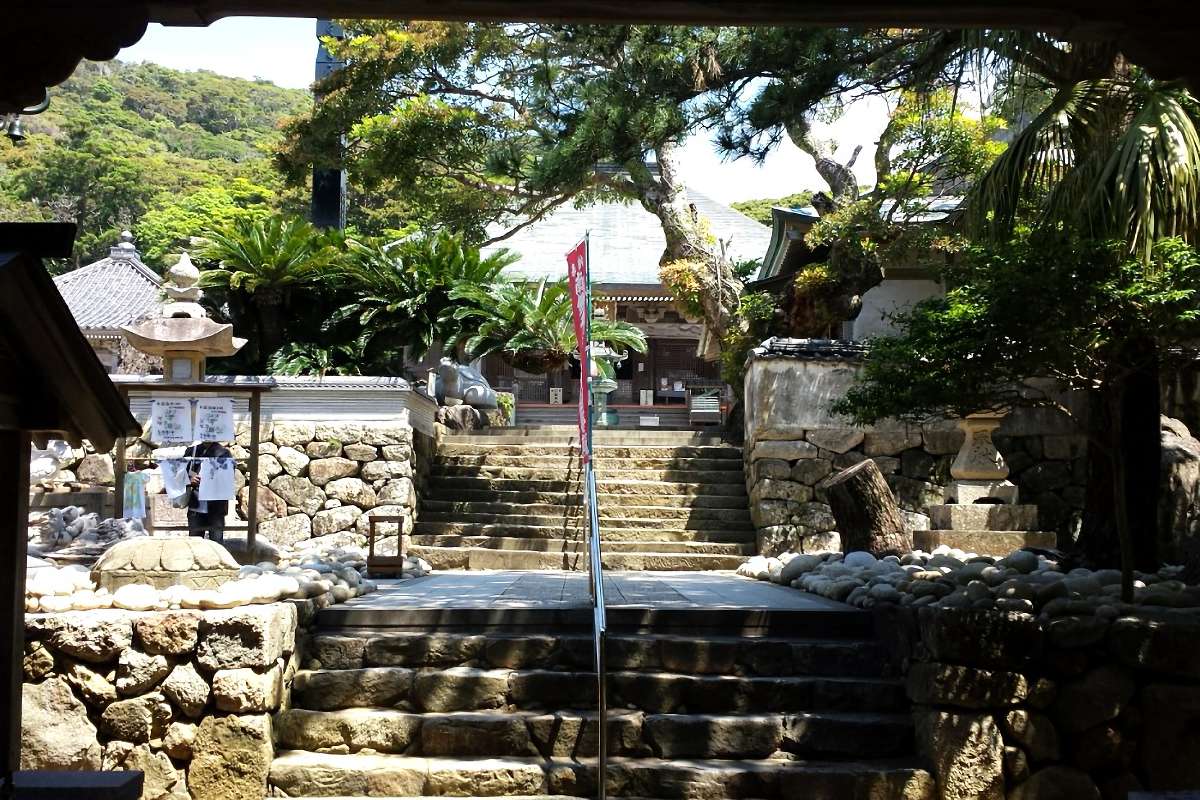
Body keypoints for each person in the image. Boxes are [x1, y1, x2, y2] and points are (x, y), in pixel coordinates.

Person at [184, 440, 231, 542]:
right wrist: (190, 479)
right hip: (196, 505)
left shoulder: (224, 453)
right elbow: (182, 473)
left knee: (217, 544)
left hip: (216, 507)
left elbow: (228, 478)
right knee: (195, 544)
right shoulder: (192, 451)